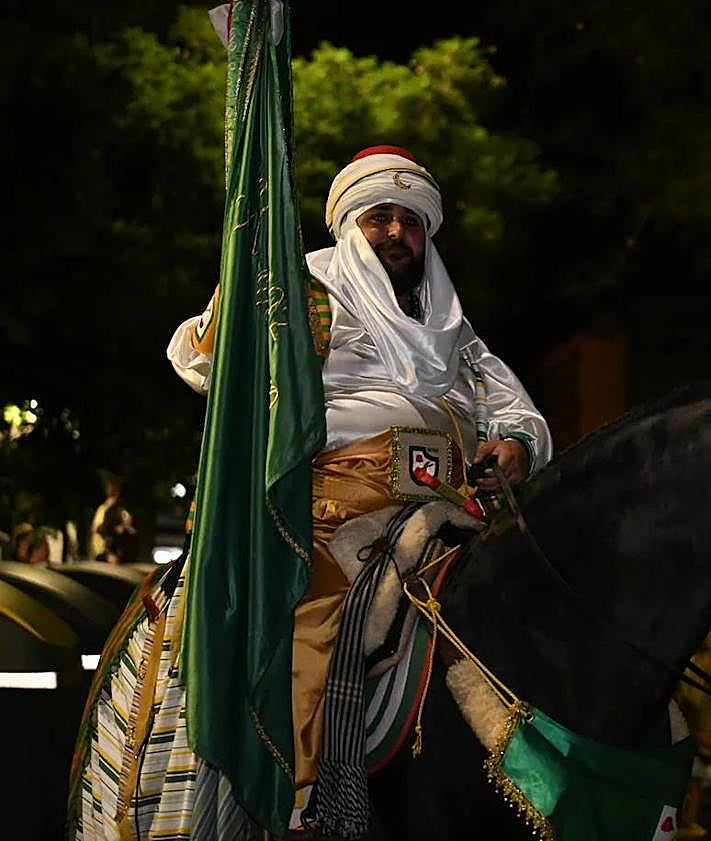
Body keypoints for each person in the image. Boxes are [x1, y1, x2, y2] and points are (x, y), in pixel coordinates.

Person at [167, 145, 553, 827]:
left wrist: (516, 445)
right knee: (311, 610)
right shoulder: (302, 284)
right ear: (349, 224)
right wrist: (245, 296)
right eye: (380, 217)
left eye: (411, 221)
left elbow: (513, 408)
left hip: (457, 499)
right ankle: (293, 796)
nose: (397, 233)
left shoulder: (451, 325)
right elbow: (204, 358)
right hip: (340, 499)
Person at [88, 476, 123, 559]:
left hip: (102, 548)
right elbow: (95, 528)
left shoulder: (103, 509)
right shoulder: (104, 510)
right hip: (103, 549)